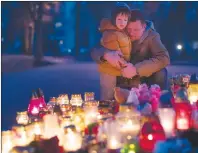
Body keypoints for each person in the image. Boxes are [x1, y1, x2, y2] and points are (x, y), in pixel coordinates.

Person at [91, 9, 170, 100]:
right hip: (120, 76)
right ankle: (108, 103)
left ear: (144, 27)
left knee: (161, 72)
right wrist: (106, 54)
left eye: (136, 30)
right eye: (128, 29)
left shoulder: (152, 36)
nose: (131, 33)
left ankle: (156, 100)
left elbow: (164, 57)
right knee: (105, 67)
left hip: (142, 78)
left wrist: (136, 69)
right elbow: (94, 50)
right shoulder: (117, 31)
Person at [98, 2, 132, 100]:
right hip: (109, 71)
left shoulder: (121, 32)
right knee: (108, 96)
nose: (122, 22)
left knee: (116, 96)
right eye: (119, 19)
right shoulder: (110, 33)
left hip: (117, 70)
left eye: (125, 20)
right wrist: (127, 67)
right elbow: (116, 56)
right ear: (114, 19)